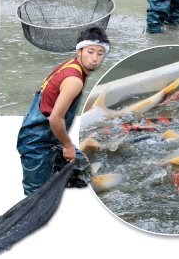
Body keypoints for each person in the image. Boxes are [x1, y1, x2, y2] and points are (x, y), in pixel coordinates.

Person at [17, 26, 110, 195]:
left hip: (51, 138)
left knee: (82, 171)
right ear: (80, 51)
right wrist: (67, 145)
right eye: (90, 52)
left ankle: (56, 181)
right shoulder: (74, 80)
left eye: (100, 53)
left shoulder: (71, 65)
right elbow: (55, 119)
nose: (95, 58)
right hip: (37, 144)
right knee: (36, 197)